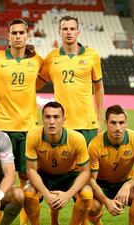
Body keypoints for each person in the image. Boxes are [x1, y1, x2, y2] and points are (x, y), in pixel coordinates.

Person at [0, 18, 44, 225]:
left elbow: (42, 79)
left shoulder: (37, 61)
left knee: (28, 179)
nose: (17, 37)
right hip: (2, 129)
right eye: (13, 33)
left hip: (28, 129)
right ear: (8, 36)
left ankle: (24, 222)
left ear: (27, 36)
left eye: (21, 33)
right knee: (1, 179)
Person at [24, 101, 93, 225]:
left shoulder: (77, 138)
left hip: (69, 175)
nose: (51, 122)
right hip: (43, 175)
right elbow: (31, 170)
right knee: (28, 194)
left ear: (63, 120)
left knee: (87, 194)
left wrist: (68, 195)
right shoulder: (33, 136)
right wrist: (46, 194)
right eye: (47, 117)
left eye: (56, 117)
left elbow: (86, 171)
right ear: (42, 119)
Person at [39, 15, 104, 146]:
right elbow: (37, 84)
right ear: (59, 32)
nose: (69, 32)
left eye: (72, 29)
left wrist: (98, 119)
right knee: (63, 166)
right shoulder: (51, 58)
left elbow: (98, 88)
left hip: (87, 124)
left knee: (88, 165)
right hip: (61, 123)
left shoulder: (92, 55)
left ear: (78, 32)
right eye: (65, 29)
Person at [86, 105, 134, 225]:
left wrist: (127, 185)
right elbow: (91, 180)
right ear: (106, 123)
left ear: (126, 123)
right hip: (101, 186)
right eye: (113, 123)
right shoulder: (95, 145)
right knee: (91, 202)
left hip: (124, 183)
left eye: (121, 123)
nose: (117, 128)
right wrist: (106, 201)